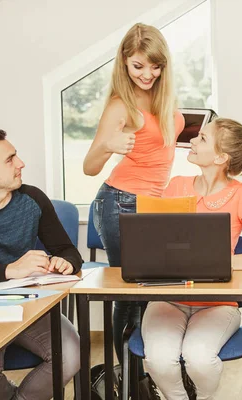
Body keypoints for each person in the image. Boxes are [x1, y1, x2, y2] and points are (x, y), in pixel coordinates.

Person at [140, 118, 242, 400]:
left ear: (221, 157)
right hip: (169, 298)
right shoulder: (176, 185)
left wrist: (217, 262)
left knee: (199, 358)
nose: (191, 140)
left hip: (218, 304)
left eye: (202, 138)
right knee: (158, 359)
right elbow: (153, 245)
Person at [0, 127, 81, 400]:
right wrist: (9, 270)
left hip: (27, 303)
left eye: (16, 156)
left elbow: (68, 250)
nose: (21, 163)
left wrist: (65, 261)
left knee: (70, 355)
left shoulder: (33, 199)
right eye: (10, 159)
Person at [83, 23, 185, 362]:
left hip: (153, 204)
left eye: (155, 66)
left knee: (150, 292)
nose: (147, 74)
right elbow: (89, 166)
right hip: (120, 202)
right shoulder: (120, 105)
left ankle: (144, 373)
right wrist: (109, 145)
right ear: (124, 62)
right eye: (138, 66)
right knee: (130, 293)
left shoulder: (163, 97)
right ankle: (129, 382)